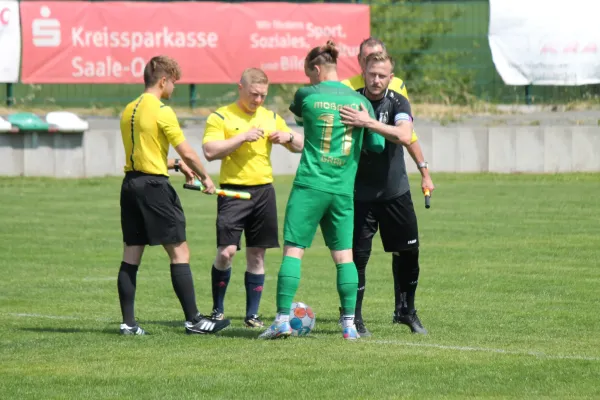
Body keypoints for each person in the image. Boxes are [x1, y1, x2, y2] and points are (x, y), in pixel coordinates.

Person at [259, 40, 385, 341]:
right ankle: (349, 325)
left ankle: (281, 320)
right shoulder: (360, 102)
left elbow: (304, 121)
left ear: (316, 69)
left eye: (308, 73)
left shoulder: (306, 95)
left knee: (294, 250)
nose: (307, 80)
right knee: (344, 257)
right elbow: (376, 146)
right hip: (342, 190)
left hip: (310, 185)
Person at [117, 55, 230, 336]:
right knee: (180, 251)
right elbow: (187, 151)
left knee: (131, 254)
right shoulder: (161, 110)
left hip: (131, 185)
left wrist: (176, 166)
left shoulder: (128, 109)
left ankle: (128, 324)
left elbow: (144, 156)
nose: (174, 89)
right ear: (164, 81)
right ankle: (194, 320)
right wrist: (205, 177)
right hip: (154, 189)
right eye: (174, 83)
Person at [340, 51, 433, 336]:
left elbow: (405, 135)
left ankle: (406, 311)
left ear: (390, 78)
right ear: (363, 73)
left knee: (409, 251)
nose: (377, 80)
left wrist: (367, 122)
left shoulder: (398, 102)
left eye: (383, 76)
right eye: (372, 74)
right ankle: (354, 318)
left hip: (395, 192)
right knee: (357, 257)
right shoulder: (350, 100)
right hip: (359, 194)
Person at [202, 68, 303, 328]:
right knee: (226, 252)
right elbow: (210, 151)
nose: (257, 100)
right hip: (232, 192)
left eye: (262, 95)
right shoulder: (221, 116)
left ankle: (252, 315)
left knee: (257, 255)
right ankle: (217, 310)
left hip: (263, 193)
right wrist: (242, 137)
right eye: (253, 94)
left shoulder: (270, 117)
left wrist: (288, 137)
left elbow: (301, 145)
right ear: (241, 88)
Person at [341, 37, 434, 197]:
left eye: (378, 56)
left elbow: (407, 134)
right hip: (357, 181)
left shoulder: (396, 86)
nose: (374, 62)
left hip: (391, 180)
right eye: (367, 59)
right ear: (360, 61)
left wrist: (424, 172)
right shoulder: (345, 88)